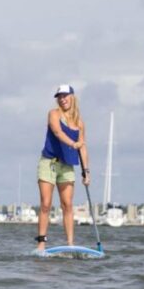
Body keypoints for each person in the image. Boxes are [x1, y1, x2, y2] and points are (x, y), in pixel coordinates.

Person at [35, 84, 90, 251]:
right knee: (46, 204)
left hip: (67, 165)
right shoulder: (53, 114)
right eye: (60, 96)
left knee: (67, 204)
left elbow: (83, 147)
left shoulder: (79, 123)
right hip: (49, 162)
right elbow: (58, 133)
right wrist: (73, 143)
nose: (63, 99)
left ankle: (70, 244)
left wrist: (86, 171)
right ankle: (41, 243)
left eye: (66, 96)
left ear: (72, 97)